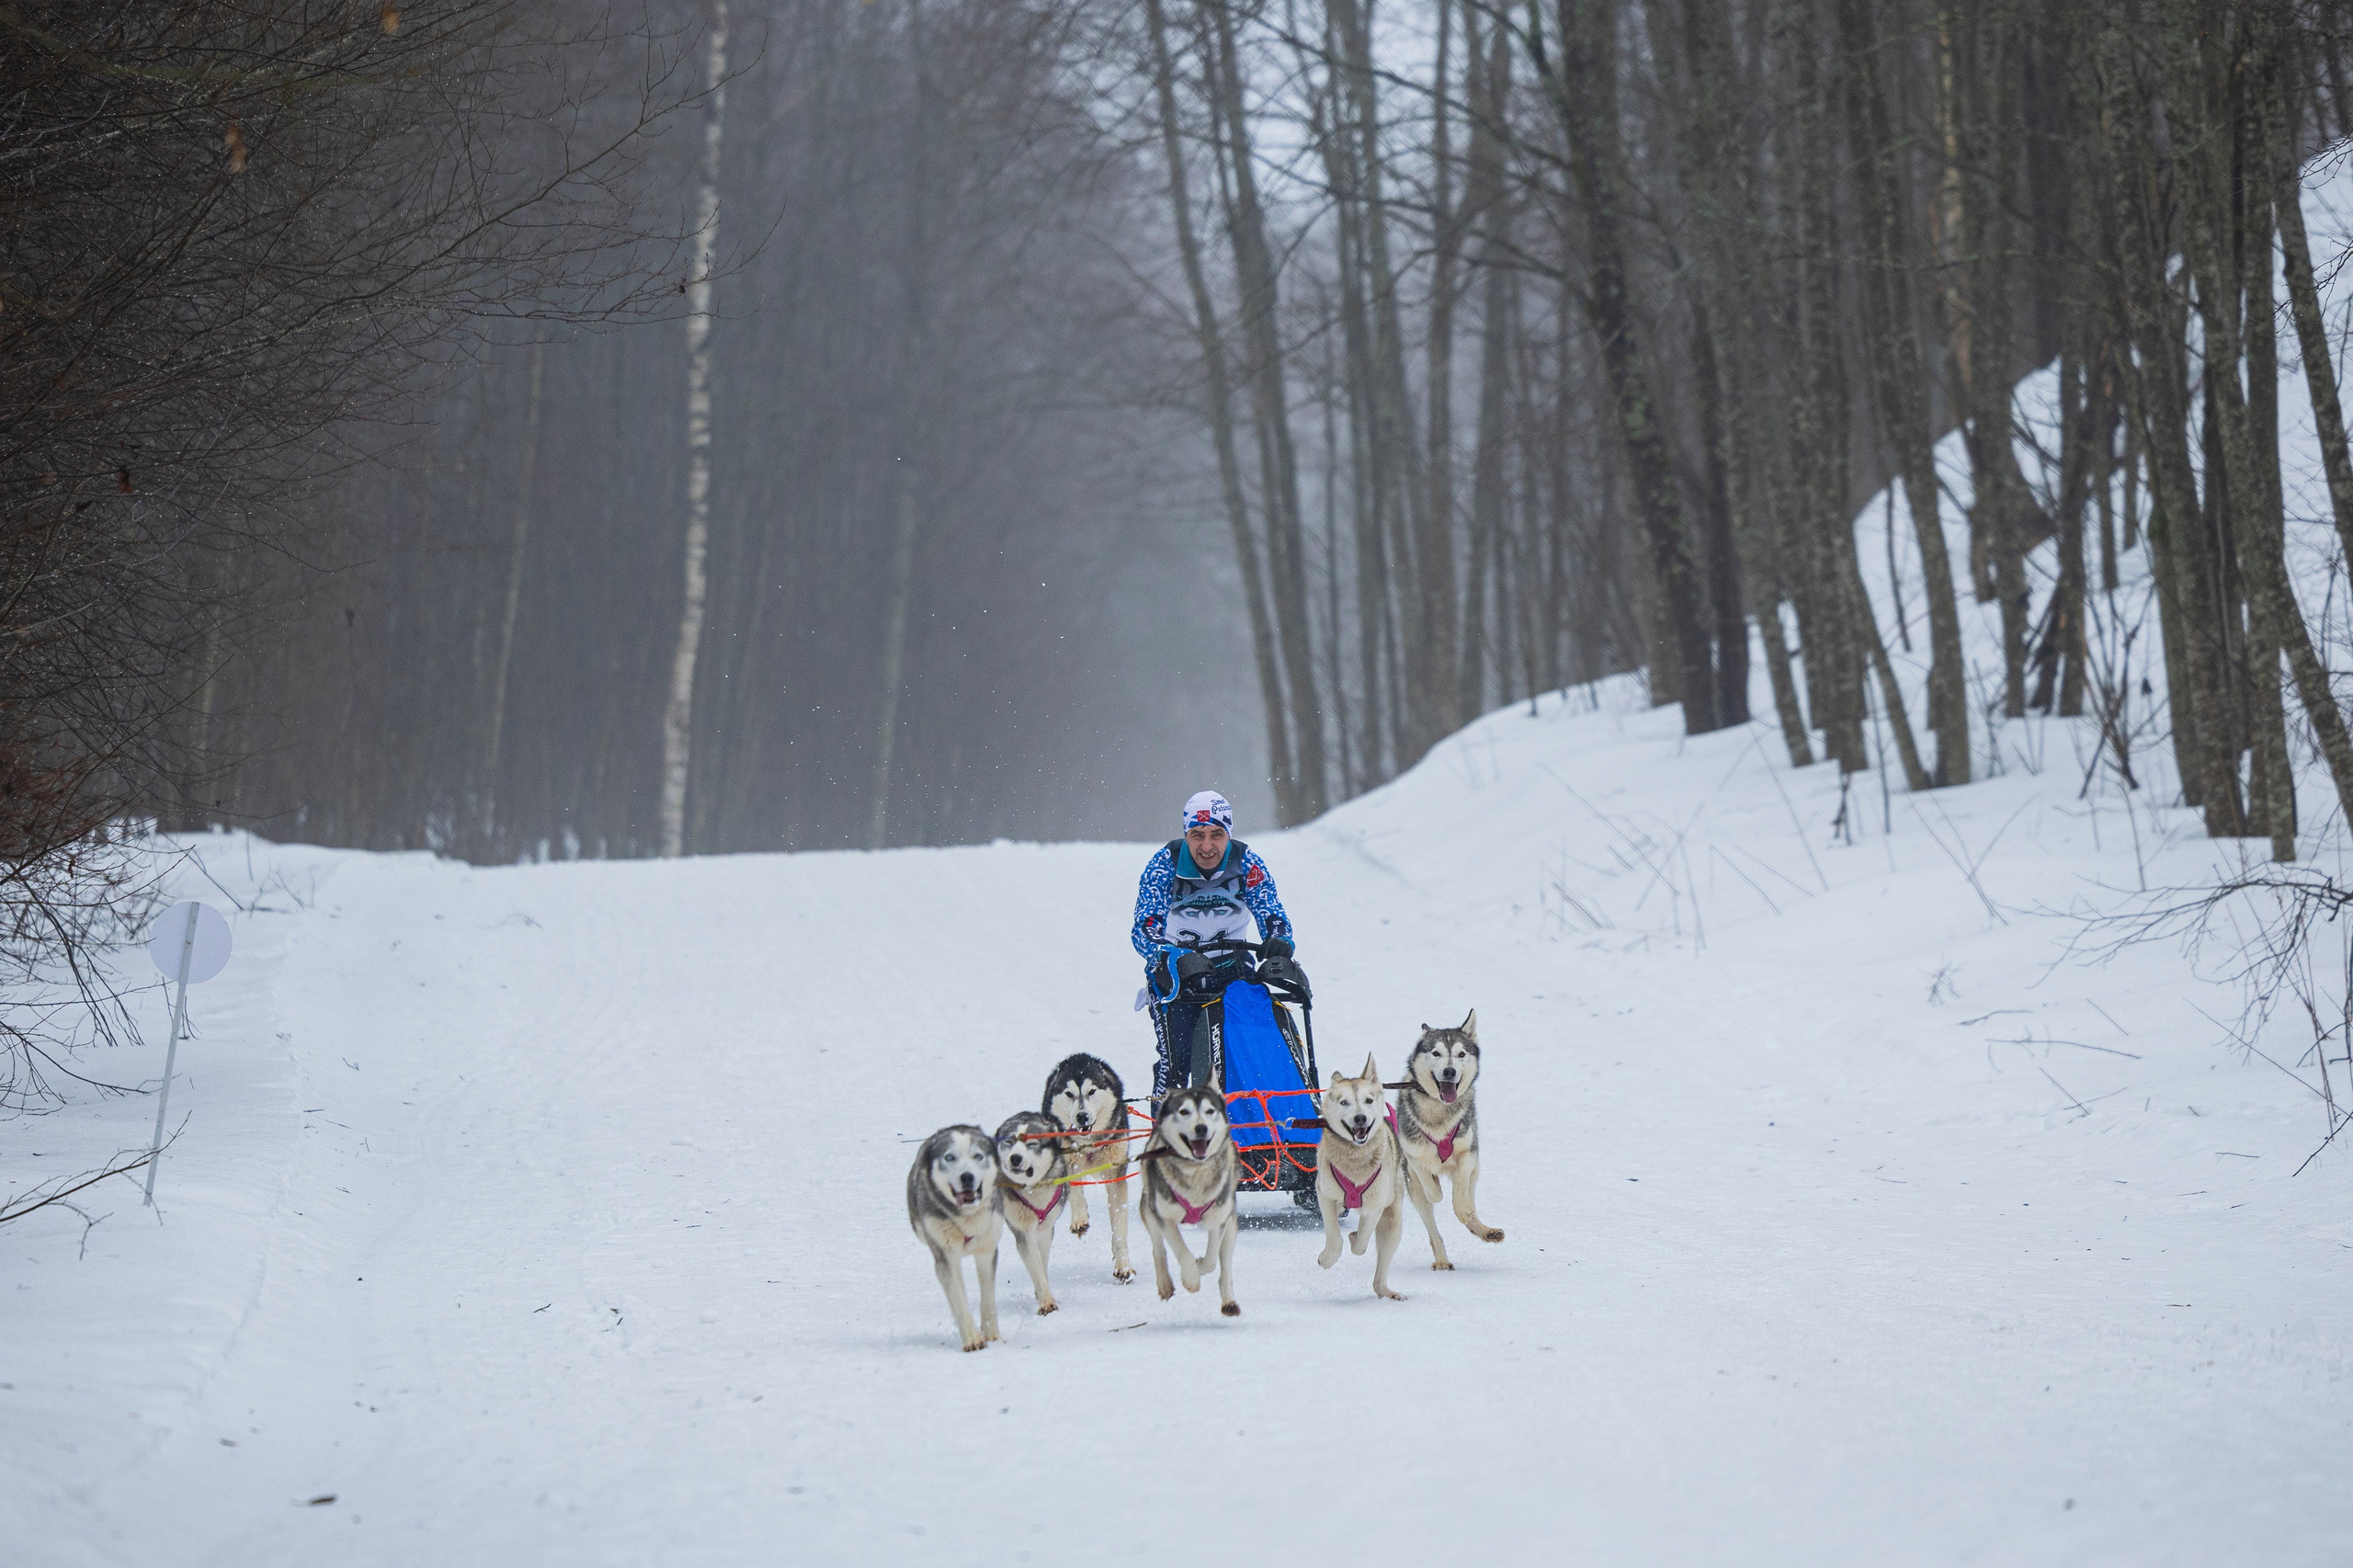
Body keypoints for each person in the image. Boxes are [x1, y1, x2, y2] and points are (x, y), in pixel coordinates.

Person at [1130, 790, 1307, 1108]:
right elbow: (1144, 929)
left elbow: (1272, 913)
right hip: (1176, 976)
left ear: (1229, 834)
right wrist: (1173, 956)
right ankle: (1162, 1137)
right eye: (1197, 836)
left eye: (1216, 835)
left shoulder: (1246, 863)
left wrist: (1279, 942)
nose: (1207, 846)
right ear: (1186, 835)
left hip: (1233, 968)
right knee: (1176, 1064)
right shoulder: (1163, 865)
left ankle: (1265, 1123)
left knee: (1258, 1048)